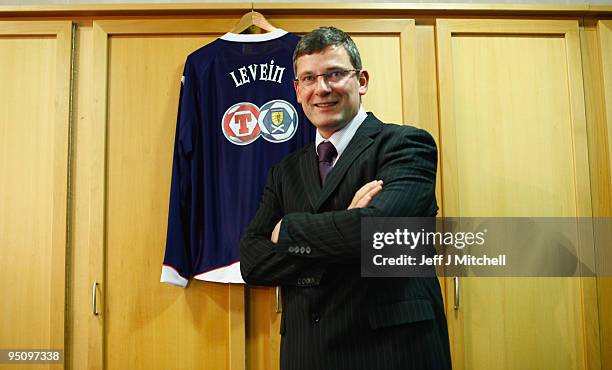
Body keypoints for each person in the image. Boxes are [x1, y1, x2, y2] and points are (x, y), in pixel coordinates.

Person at [239, 26, 451, 370]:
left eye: (335, 74)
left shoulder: (406, 146)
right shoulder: (285, 171)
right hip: (307, 352)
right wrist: (349, 225)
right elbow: (253, 262)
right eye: (309, 78)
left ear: (362, 80)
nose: (321, 89)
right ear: (297, 90)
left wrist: (288, 230)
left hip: (391, 352)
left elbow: (379, 233)